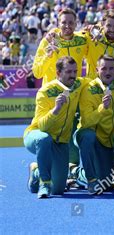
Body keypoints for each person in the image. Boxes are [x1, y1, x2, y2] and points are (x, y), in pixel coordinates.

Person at [24, 56, 85, 198]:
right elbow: (43, 126)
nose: (73, 75)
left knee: (58, 189)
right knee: (44, 139)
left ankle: (36, 171)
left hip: (60, 142)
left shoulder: (78, 84)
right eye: (68, 72)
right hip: (36, 135)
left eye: (75, 71)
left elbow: (97, 80)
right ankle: (44, 182)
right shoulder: (45, 92)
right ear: (58, 73)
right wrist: (56, 109)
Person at [74, 55, 114, 194]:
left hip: (110, 142)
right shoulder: (89, 89)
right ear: (97, 70)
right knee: (88, 135)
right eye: (104, 68)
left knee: (108, 184)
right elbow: (86, 122)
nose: (108, 72)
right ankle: (82, 175)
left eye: (111, 69)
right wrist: (102, 108)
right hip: (93, 139)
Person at [32, 8, 88, 84]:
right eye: (64, 22)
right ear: (58, 24)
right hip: (53, 93)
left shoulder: (82, 41)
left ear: (76, 24)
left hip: (74, 93)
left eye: (71, 23)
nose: (67, 26)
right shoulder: (48, 41)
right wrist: (48, 56)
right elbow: (37, 73)